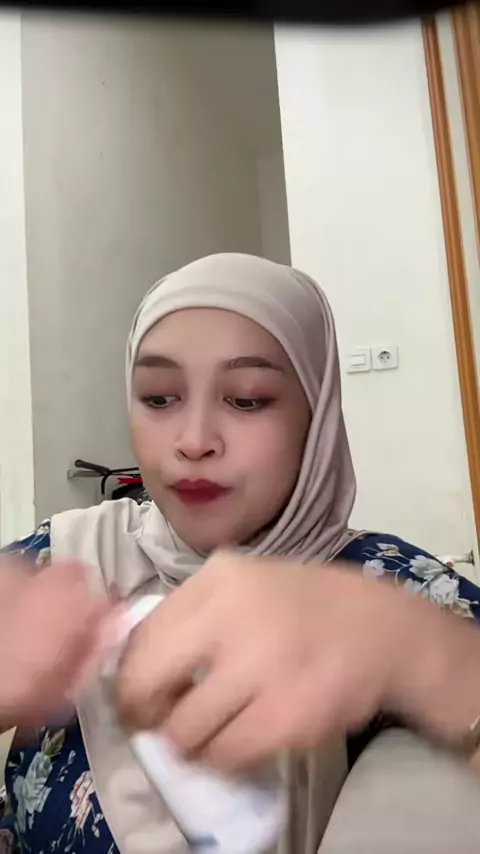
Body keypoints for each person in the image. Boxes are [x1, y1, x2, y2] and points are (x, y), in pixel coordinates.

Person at [1, 252, 480, 854]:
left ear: (317, 416)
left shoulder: (395, 591)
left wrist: (427, 657)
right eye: (159, 397)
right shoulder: (61, 561)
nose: (194, 441)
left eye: (247, 399)